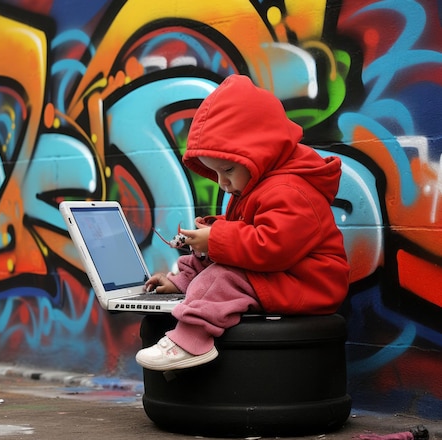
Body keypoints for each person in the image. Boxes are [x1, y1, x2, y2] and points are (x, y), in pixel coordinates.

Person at [135, 74, 350, 371]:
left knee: (226, 275)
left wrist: (217, 238)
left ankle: (191, 341)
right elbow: (245, 238)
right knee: (217, 258)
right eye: (215, 174)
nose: (223, 184)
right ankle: (181, 284)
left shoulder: (292, 191)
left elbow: (272, 248)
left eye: (227, 170)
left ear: (261, 153)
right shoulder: (257, 185)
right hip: (281, 276)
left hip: (308, 283)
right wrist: (194, 259)